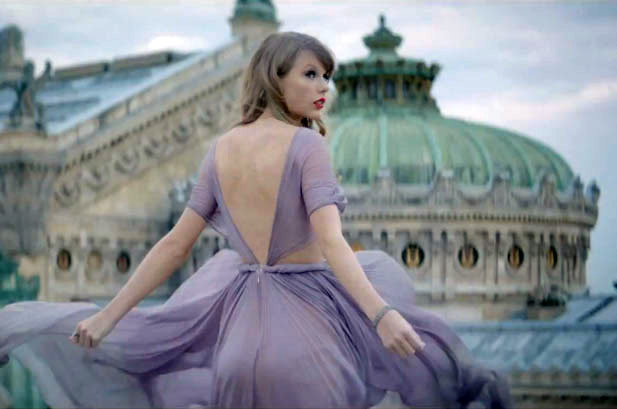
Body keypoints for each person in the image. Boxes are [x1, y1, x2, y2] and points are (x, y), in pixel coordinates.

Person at [0, 31, 513, 409]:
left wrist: (108, 317)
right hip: (309, 336)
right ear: (275, 78)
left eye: (327, 76)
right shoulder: (307, 145)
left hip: (238, 342)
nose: (324, 87)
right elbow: (333, 244)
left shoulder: (221, 149)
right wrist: (382, 315)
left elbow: (174, 245)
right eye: (310, 74)